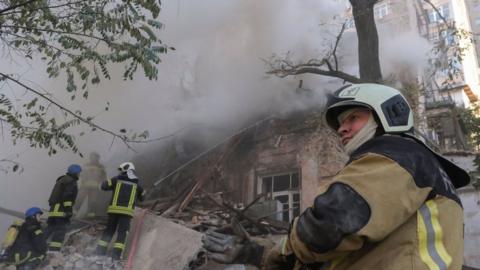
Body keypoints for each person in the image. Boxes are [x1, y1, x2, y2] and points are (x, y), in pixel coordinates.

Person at [204, 83, 470, 270]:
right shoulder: (419, 169)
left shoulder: (395, 155)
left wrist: (281, 247)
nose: (342, 129)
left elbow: (329, 227)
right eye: (341, 123)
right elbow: (339, 253)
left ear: (387, 116)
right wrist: (255, 252)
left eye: (353, 117)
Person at [96, 162, 146, 260]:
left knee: (109, 231)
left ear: (125, 169)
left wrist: (107, 181)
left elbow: (104, 186)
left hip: (113, 211)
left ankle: (100, 252)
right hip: (126, 213)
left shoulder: (116, 179)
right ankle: (115, 256)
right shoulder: (138, 184)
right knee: (122, 233)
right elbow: (143, 198)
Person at [44, 164, 81, 251]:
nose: (79, 174)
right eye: (79, 173)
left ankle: (38, 246)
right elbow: (67, 197)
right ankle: (54, 250)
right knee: (60, 230)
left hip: (54, 209)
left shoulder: (62, 179)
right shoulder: (71, 181)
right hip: (61, 210)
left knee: (50, 228)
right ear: (75, 173)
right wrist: (68, 210)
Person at [74, 152, 108, 218]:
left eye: (95, 157)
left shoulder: (101, 167)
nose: (93, 158)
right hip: (85, 186)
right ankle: (73, 213)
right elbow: (82, 175)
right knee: (79, 199)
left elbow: (104, 177)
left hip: (95, 187)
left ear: (98, 158)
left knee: (93, 201)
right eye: (92, 157)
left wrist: (102, 185)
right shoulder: (86, 165)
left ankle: (90, 216)